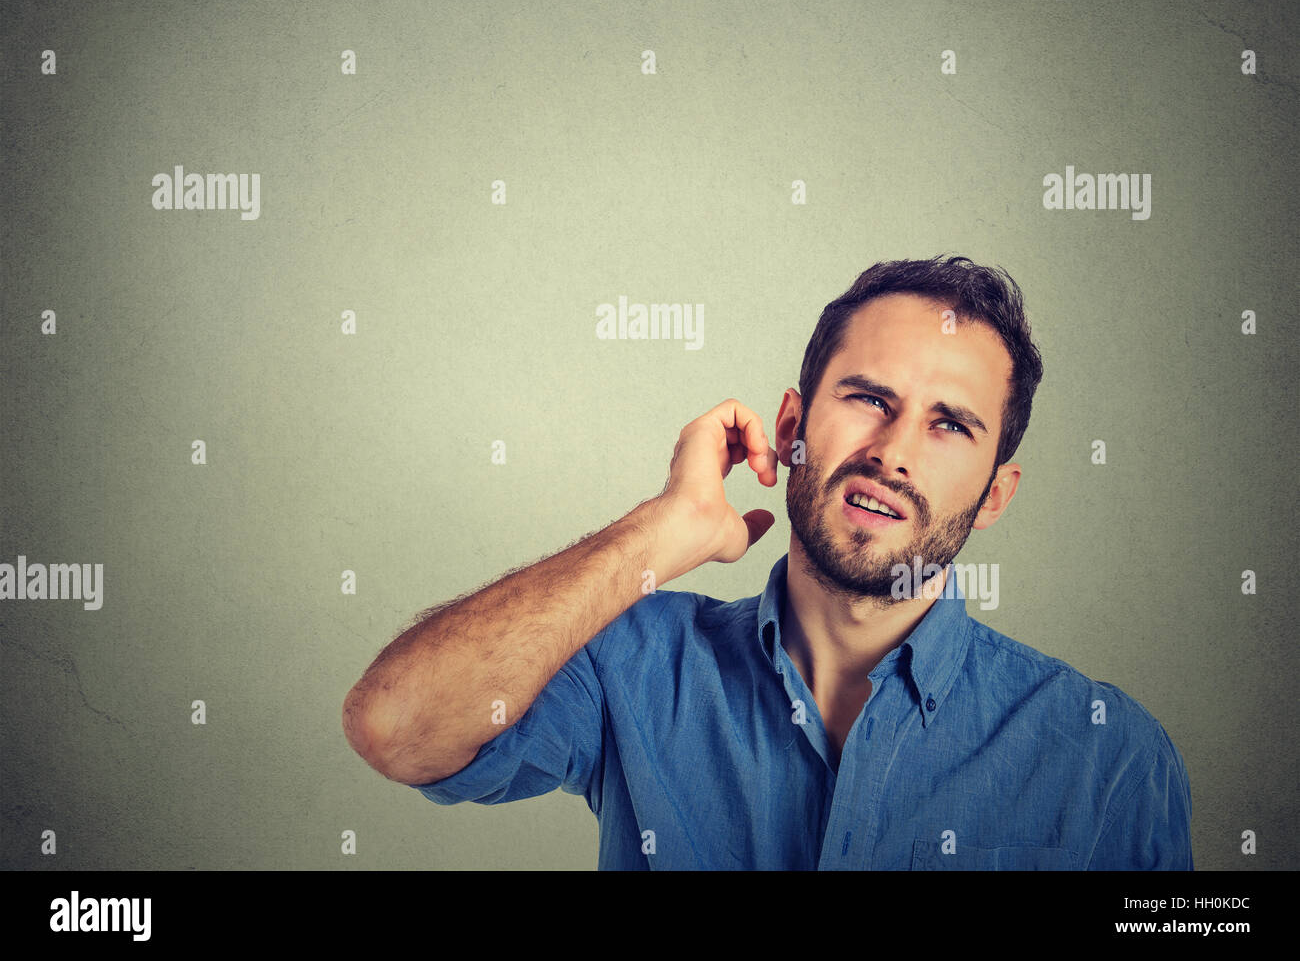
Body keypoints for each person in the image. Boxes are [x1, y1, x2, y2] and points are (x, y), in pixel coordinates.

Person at [342, 254, 1193, 870]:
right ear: (790, 429)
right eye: (869, 399)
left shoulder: (1110, 757)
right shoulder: (635, 664)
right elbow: (395, 726)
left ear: (995, 494)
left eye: (949, 425)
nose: (894, 453)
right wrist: (660, 530)